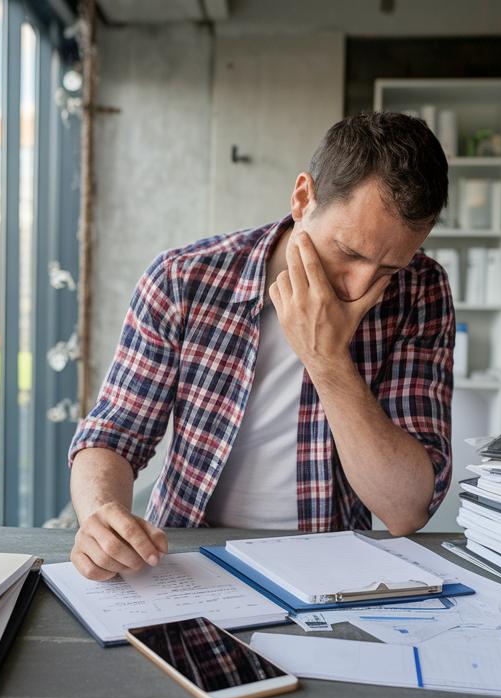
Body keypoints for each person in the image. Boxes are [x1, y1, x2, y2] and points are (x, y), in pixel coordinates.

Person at [67, 111, 454, 581]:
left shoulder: (420, 290)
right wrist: (100, 515)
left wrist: (326, 359)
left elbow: (406, 509)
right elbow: (114, 434)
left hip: (331, 569)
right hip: (185, 559)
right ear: (303, 198)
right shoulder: (182, 279)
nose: (359, 286)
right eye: (349, 252)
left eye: (388, 268)